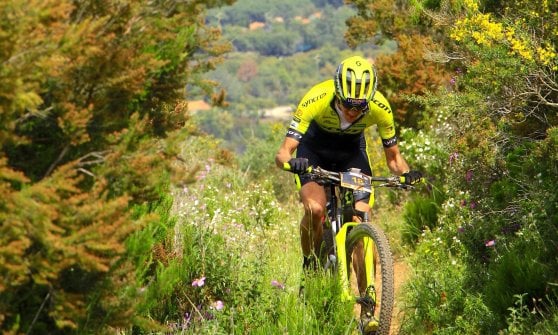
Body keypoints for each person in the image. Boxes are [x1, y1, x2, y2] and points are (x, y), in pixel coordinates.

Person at [274, 55, 422, 332]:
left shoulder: (380, 107)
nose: (353, 112)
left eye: (359, 107)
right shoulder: (316, 97)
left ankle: (368, 308)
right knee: (315, 210)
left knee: (362, 219)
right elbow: (283, 152)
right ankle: (311, 264)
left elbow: (394, 159)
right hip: (313, 152)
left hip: (351, 155)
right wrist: (291, 162)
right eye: (347, 105)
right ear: (338, 93)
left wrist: (406, 173)